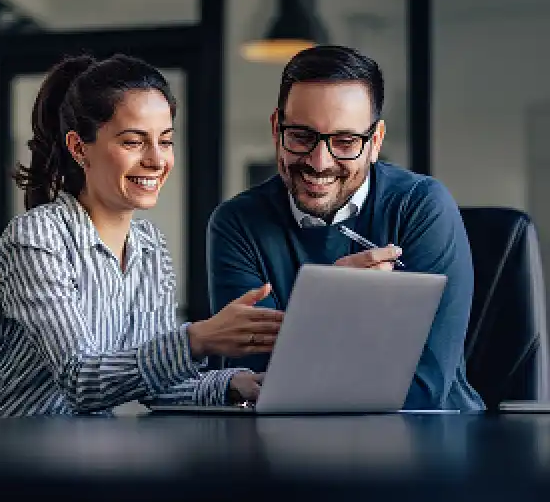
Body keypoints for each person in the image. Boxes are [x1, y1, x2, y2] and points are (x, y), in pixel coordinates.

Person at [0, 53, 285, 502]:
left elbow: (155, 383)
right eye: (134, 142)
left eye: (165, 141)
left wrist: (231, 385)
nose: (157, 161)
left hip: (77, 486)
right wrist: (200, 337)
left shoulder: (150, 247)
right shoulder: (36, 239)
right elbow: (82, 380)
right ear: (80, 149)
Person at [207, 44, 484, 413]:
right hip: (291, 449)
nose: (320, 162)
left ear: (376, 142)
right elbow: (259, 383)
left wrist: (309, 339)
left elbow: (425, 384)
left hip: (430, 439)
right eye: (302, 137)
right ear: (277, 128)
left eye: (345, 141)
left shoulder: (422, 207)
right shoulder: (237, 224)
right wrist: (330, 308)